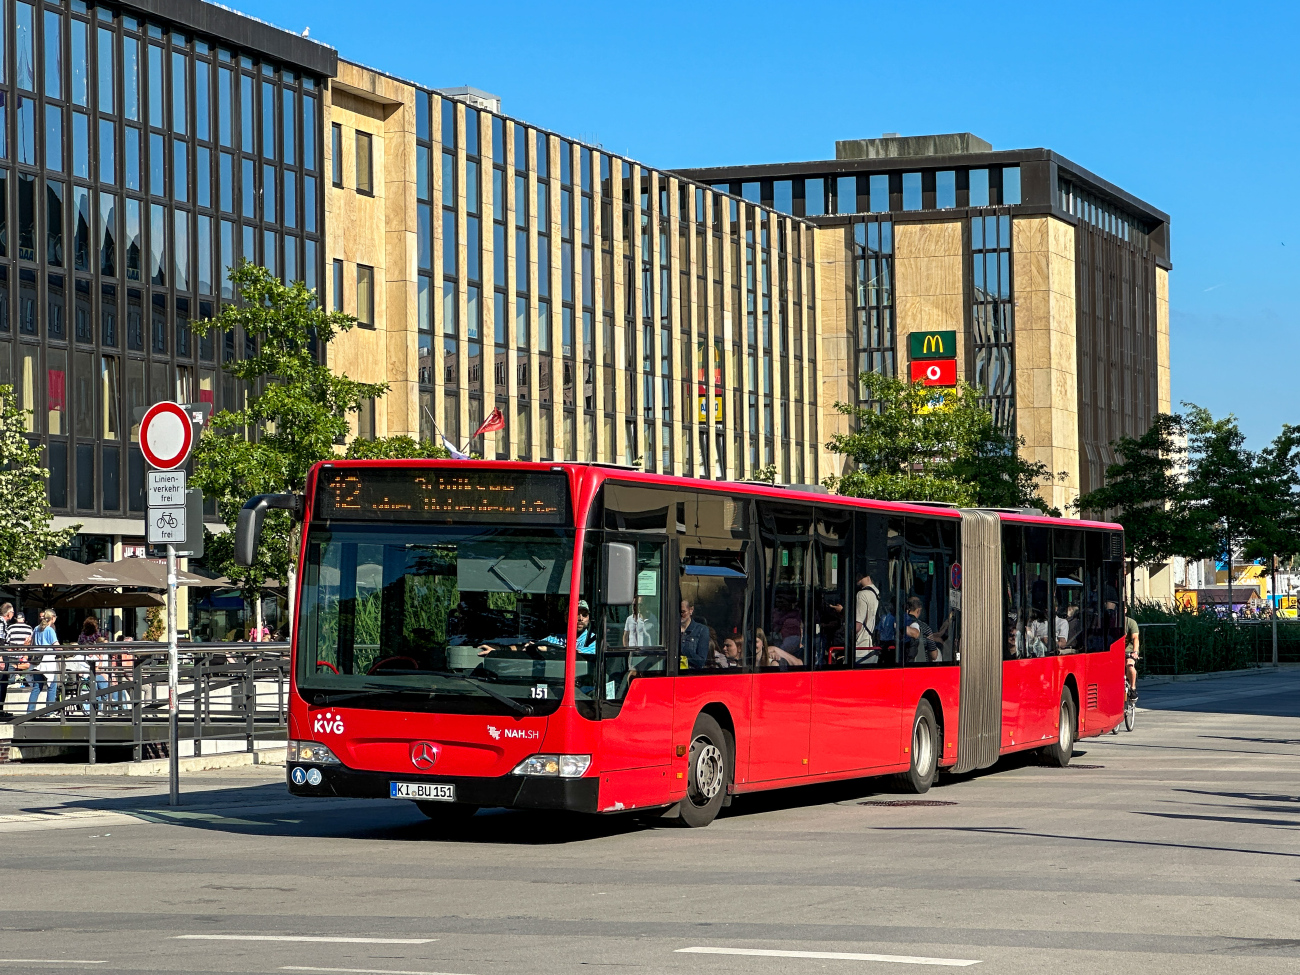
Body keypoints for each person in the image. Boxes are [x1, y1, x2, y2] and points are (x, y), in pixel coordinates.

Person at [27, 610, 61, 713]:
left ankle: (30, 711)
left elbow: (32, 643)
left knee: (37, 686)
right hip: (47, 661)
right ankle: (49, 711)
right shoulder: (50, 630)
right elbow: (56, 646)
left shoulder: (36, 628)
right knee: (52, 685)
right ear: (53, 618)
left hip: (37, 662)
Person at [854, 573, 880, 664]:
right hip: (874, 646)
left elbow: (857, 626)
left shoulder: (862, 595)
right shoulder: (877, 593)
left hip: (861, 648)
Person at [679, 599, 710, 670]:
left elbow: (701, 661)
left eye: (683, 612)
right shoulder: (672, 629)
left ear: (691, 610)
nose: (680, 615)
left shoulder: (701, 630)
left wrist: (682, 649)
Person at [1124, 614, 1140, 700]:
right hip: (1115, 650)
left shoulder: (1130, 622)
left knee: (1129, 664)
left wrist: (1135, 652)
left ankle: (1133, 688)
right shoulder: (1111, 621)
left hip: (1129, 651)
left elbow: (1135, 638)